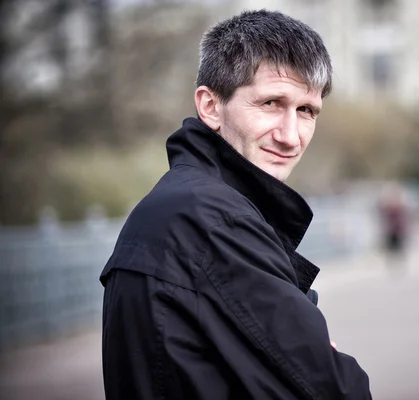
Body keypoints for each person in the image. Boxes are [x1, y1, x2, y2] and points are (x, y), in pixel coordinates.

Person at [99, 9, 371, 400]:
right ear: (210, 106)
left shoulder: (181, 204)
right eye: (271, 103)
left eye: (306, 110)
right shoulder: (213, 221)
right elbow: (339, 390)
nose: (291, 136)